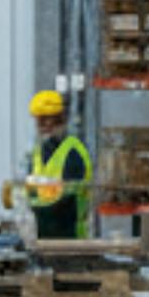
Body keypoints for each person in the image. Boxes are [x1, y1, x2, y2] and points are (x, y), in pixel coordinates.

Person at [22, 89, 93, 241]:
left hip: (70, 237)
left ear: (61, 119)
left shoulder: (73, 152)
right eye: (40, 121)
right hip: (43, 236)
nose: (43, 127)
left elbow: (66, 197)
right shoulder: (38, 153)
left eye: (48, 121)